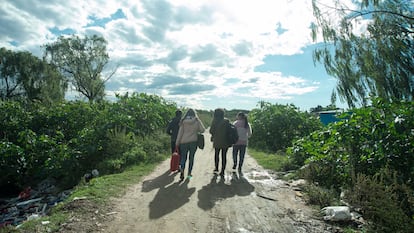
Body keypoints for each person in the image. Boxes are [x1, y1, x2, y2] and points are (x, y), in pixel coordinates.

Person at [176, 109, 205, 180]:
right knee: (191, 158)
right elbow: (202, 130)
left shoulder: (183, 121)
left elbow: (180, 133)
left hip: (183, 142)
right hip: (193, 142)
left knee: (183, 157)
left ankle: (182, 169)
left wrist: (177, 143)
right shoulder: (196, 120)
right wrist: (198, 121)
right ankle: (189, 174)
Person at [209, 108, 231, 176]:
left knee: (216, 155)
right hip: (226, 141)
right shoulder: (227, 121)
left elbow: (211, 131)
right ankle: (222, 170)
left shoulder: (214, 121)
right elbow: (230, 130)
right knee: (224, 156)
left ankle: (216, 168)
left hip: (217, 140)